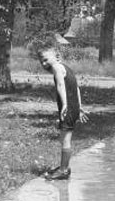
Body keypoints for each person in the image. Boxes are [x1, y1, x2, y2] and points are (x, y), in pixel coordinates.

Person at [36, 43, 89, 180]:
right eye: (41, 61)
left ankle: (64, 170)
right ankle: (63, 166)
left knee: (65, 139)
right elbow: (76, 88)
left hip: (68, 108)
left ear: (57, 56)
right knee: (63, 137)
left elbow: (60, 85)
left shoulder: (56, 68)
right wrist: (79, 106)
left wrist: (65, 104)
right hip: (73, 106)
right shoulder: (66, 68)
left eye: (46, 59)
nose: (44, 63)